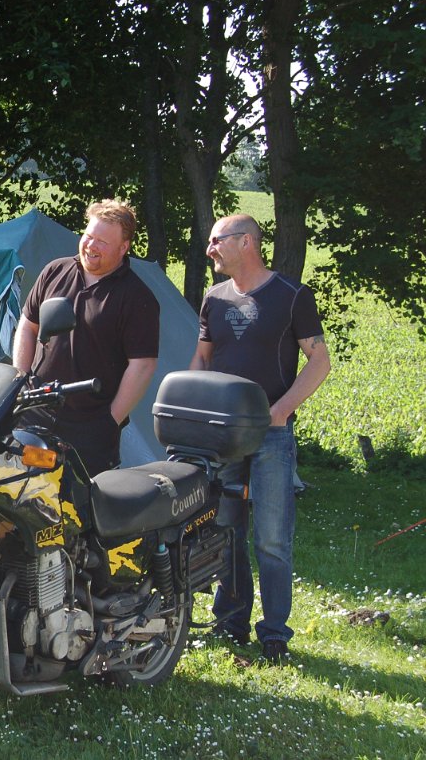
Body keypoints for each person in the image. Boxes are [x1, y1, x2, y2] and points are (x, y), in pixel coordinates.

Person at [191, 213, 331, 662]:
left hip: (272, 437)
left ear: (246, 242)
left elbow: (319, 362)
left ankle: (274, 633)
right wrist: (193, 413)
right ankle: (229, 623)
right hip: (222, 436)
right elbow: (201, 360)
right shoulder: (213, 298)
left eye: (217, 241)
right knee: (225, 532)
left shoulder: (291, 295)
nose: (210, 248)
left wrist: (281, 411)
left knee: (272, 539)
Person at [11, 199, 160, 477]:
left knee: (79, 513)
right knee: (19, 498)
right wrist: (20, 378)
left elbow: (143, 365)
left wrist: (109, 420)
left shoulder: (137, 297)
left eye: (102, 241)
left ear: (123, 247)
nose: (91, 246)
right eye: (89, 236)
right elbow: (27, 326)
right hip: (36, 410)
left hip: (90, 424)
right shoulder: (55, 271)